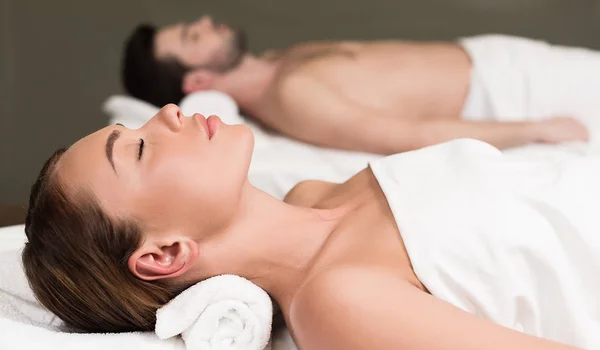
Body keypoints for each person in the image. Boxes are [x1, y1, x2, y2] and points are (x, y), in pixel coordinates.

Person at [22, 105, 600, 350]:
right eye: (141, 148)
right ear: (165, 253)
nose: (170, 113)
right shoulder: (339, 306)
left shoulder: (319, 192)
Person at [121, 17, 594, 155]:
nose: (205, 22)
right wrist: (535, 129)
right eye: (192, 36)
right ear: (199, 81)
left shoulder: (280, 61)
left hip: (505, 60)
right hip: (515, 98)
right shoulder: (291, 97)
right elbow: (411, 136)